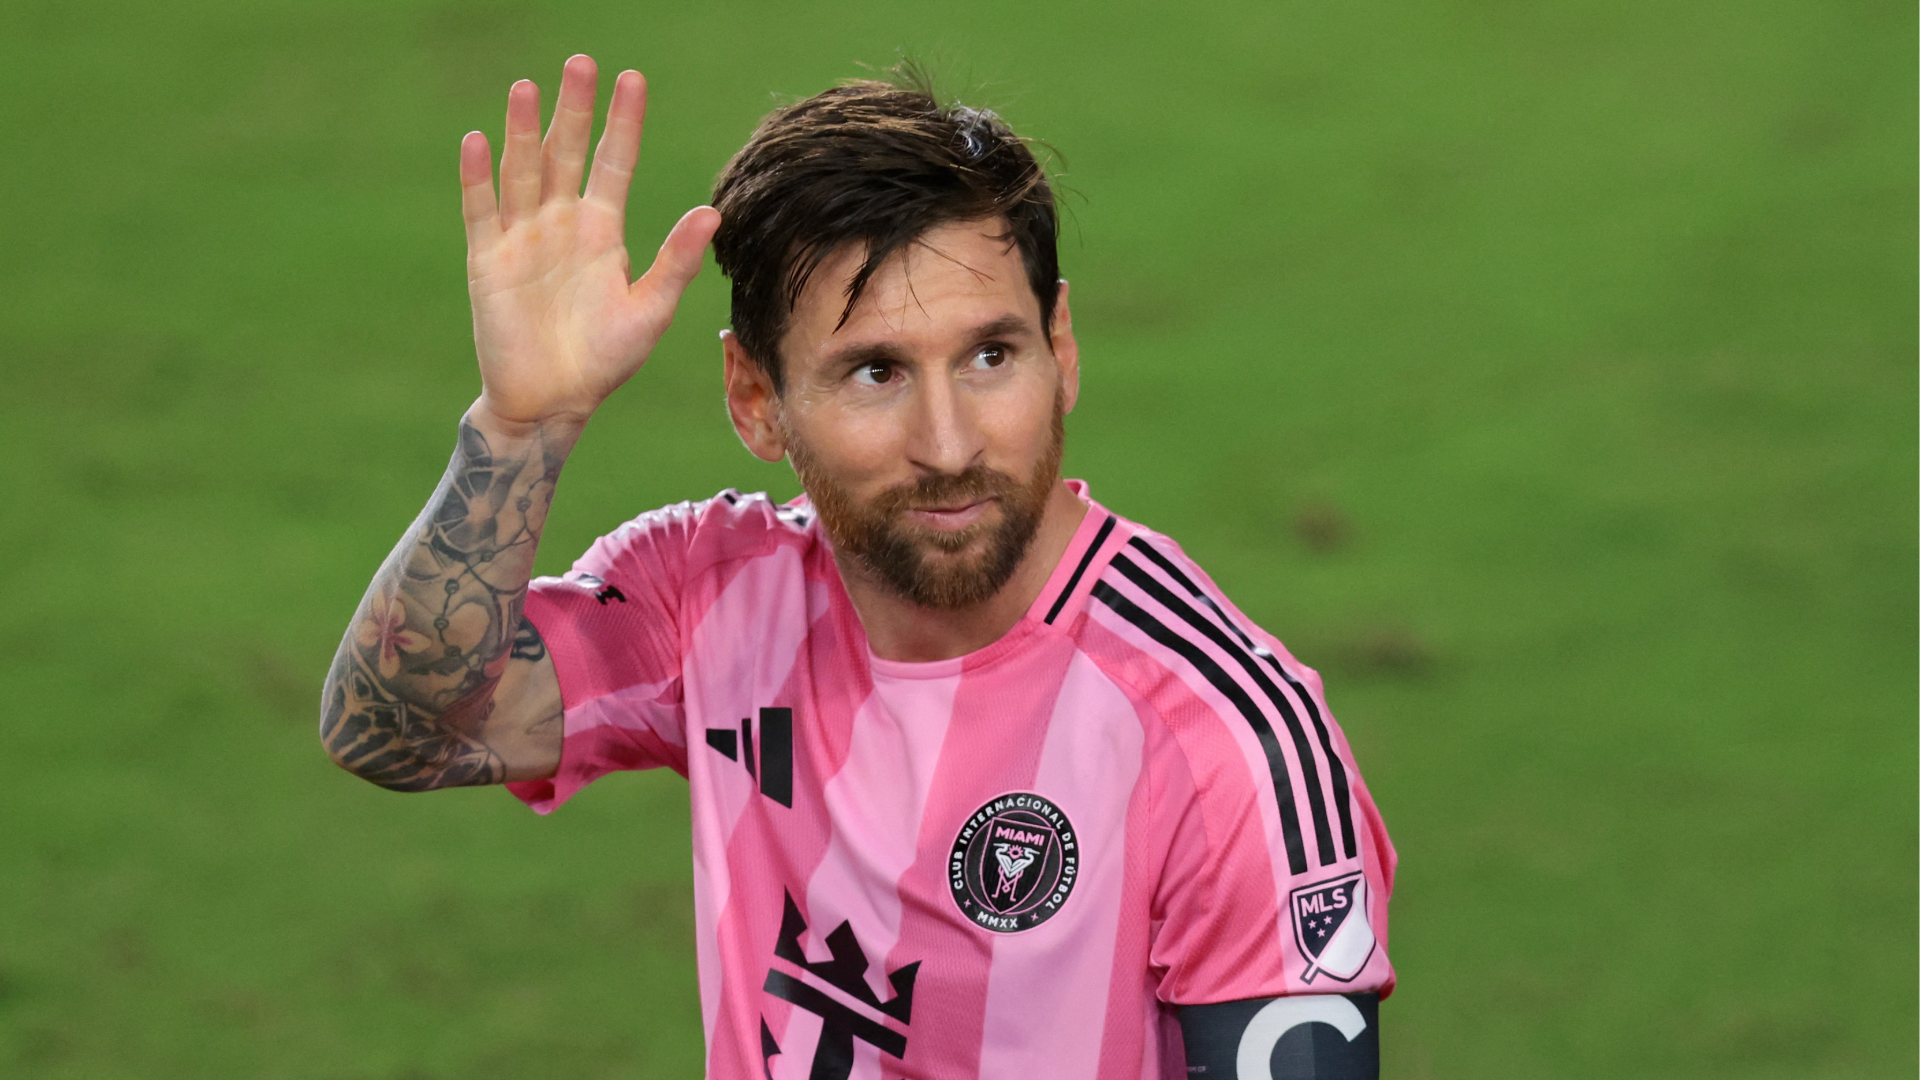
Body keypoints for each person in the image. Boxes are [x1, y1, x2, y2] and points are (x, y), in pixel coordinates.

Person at [321, 52, 1397, 1080]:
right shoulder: (712, 594)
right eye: (876, 371)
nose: (949, 443)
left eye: (991, 355)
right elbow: (396, 729)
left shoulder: (1227, 745)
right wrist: (524, 426)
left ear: (1061, 349)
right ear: (755, 399)